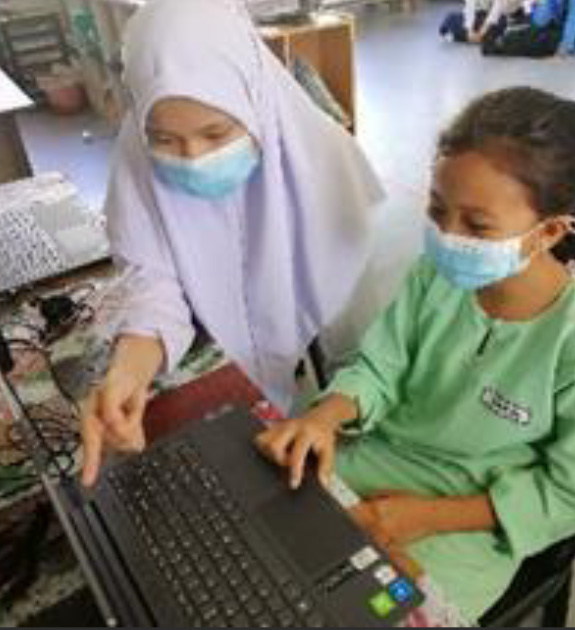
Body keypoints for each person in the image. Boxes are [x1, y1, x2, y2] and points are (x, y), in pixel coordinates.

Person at [256, 87, 575, 620]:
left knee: (353, 609)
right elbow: (380, 367)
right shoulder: (435, 276)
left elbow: (574, 492)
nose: (446, 236)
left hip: (470, 522)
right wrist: (324, 416)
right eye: (437, 209)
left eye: (477, 226)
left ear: (547, 232)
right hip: (376, 460)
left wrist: (423, 517)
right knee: (257, 546)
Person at [80, 0, 384, 486]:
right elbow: (151, 279)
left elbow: (370, 343)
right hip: (207, 348)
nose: (193, 157)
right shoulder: (136, 160)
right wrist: (129, 372)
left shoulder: (318, 160)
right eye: (164, 139)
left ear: (255, 101)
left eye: (215, 133)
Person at [483, 0, 575, 57]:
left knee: (545, 42)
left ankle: (501, 46)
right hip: (559, 25)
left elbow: (574, 20)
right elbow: (541, 19)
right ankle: (502, 41)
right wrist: (533, 29)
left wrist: (565, 47)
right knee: (533, 33)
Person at [439, 0, 530, 47]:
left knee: (501, 23)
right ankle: (480, 38)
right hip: (484, 14)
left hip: (505, 14)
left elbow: (496, 9)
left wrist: (483, 31)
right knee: (450, 17)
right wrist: (469, 30)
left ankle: (466, 37)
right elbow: (469, 7)